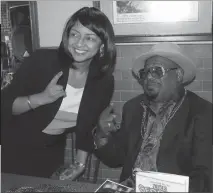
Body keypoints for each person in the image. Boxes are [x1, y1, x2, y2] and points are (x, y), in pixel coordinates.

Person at [1, 7, 116, 180]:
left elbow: (87, 128)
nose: (79, 43)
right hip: (15, 146)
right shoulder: (42, 61)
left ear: (102, 45)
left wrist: (80, 164)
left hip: (51, 152)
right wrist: (41, 98)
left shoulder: (103, 82)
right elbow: (5, 105)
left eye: (90, 38)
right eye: (75, 34)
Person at [93, 42, 212, 192]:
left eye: (157, 71)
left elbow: (204, 177)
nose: (149, 76)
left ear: (178, 75)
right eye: (145, 72)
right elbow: (115, 159)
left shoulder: (201, 112)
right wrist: (102, 135)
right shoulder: (133, 107)